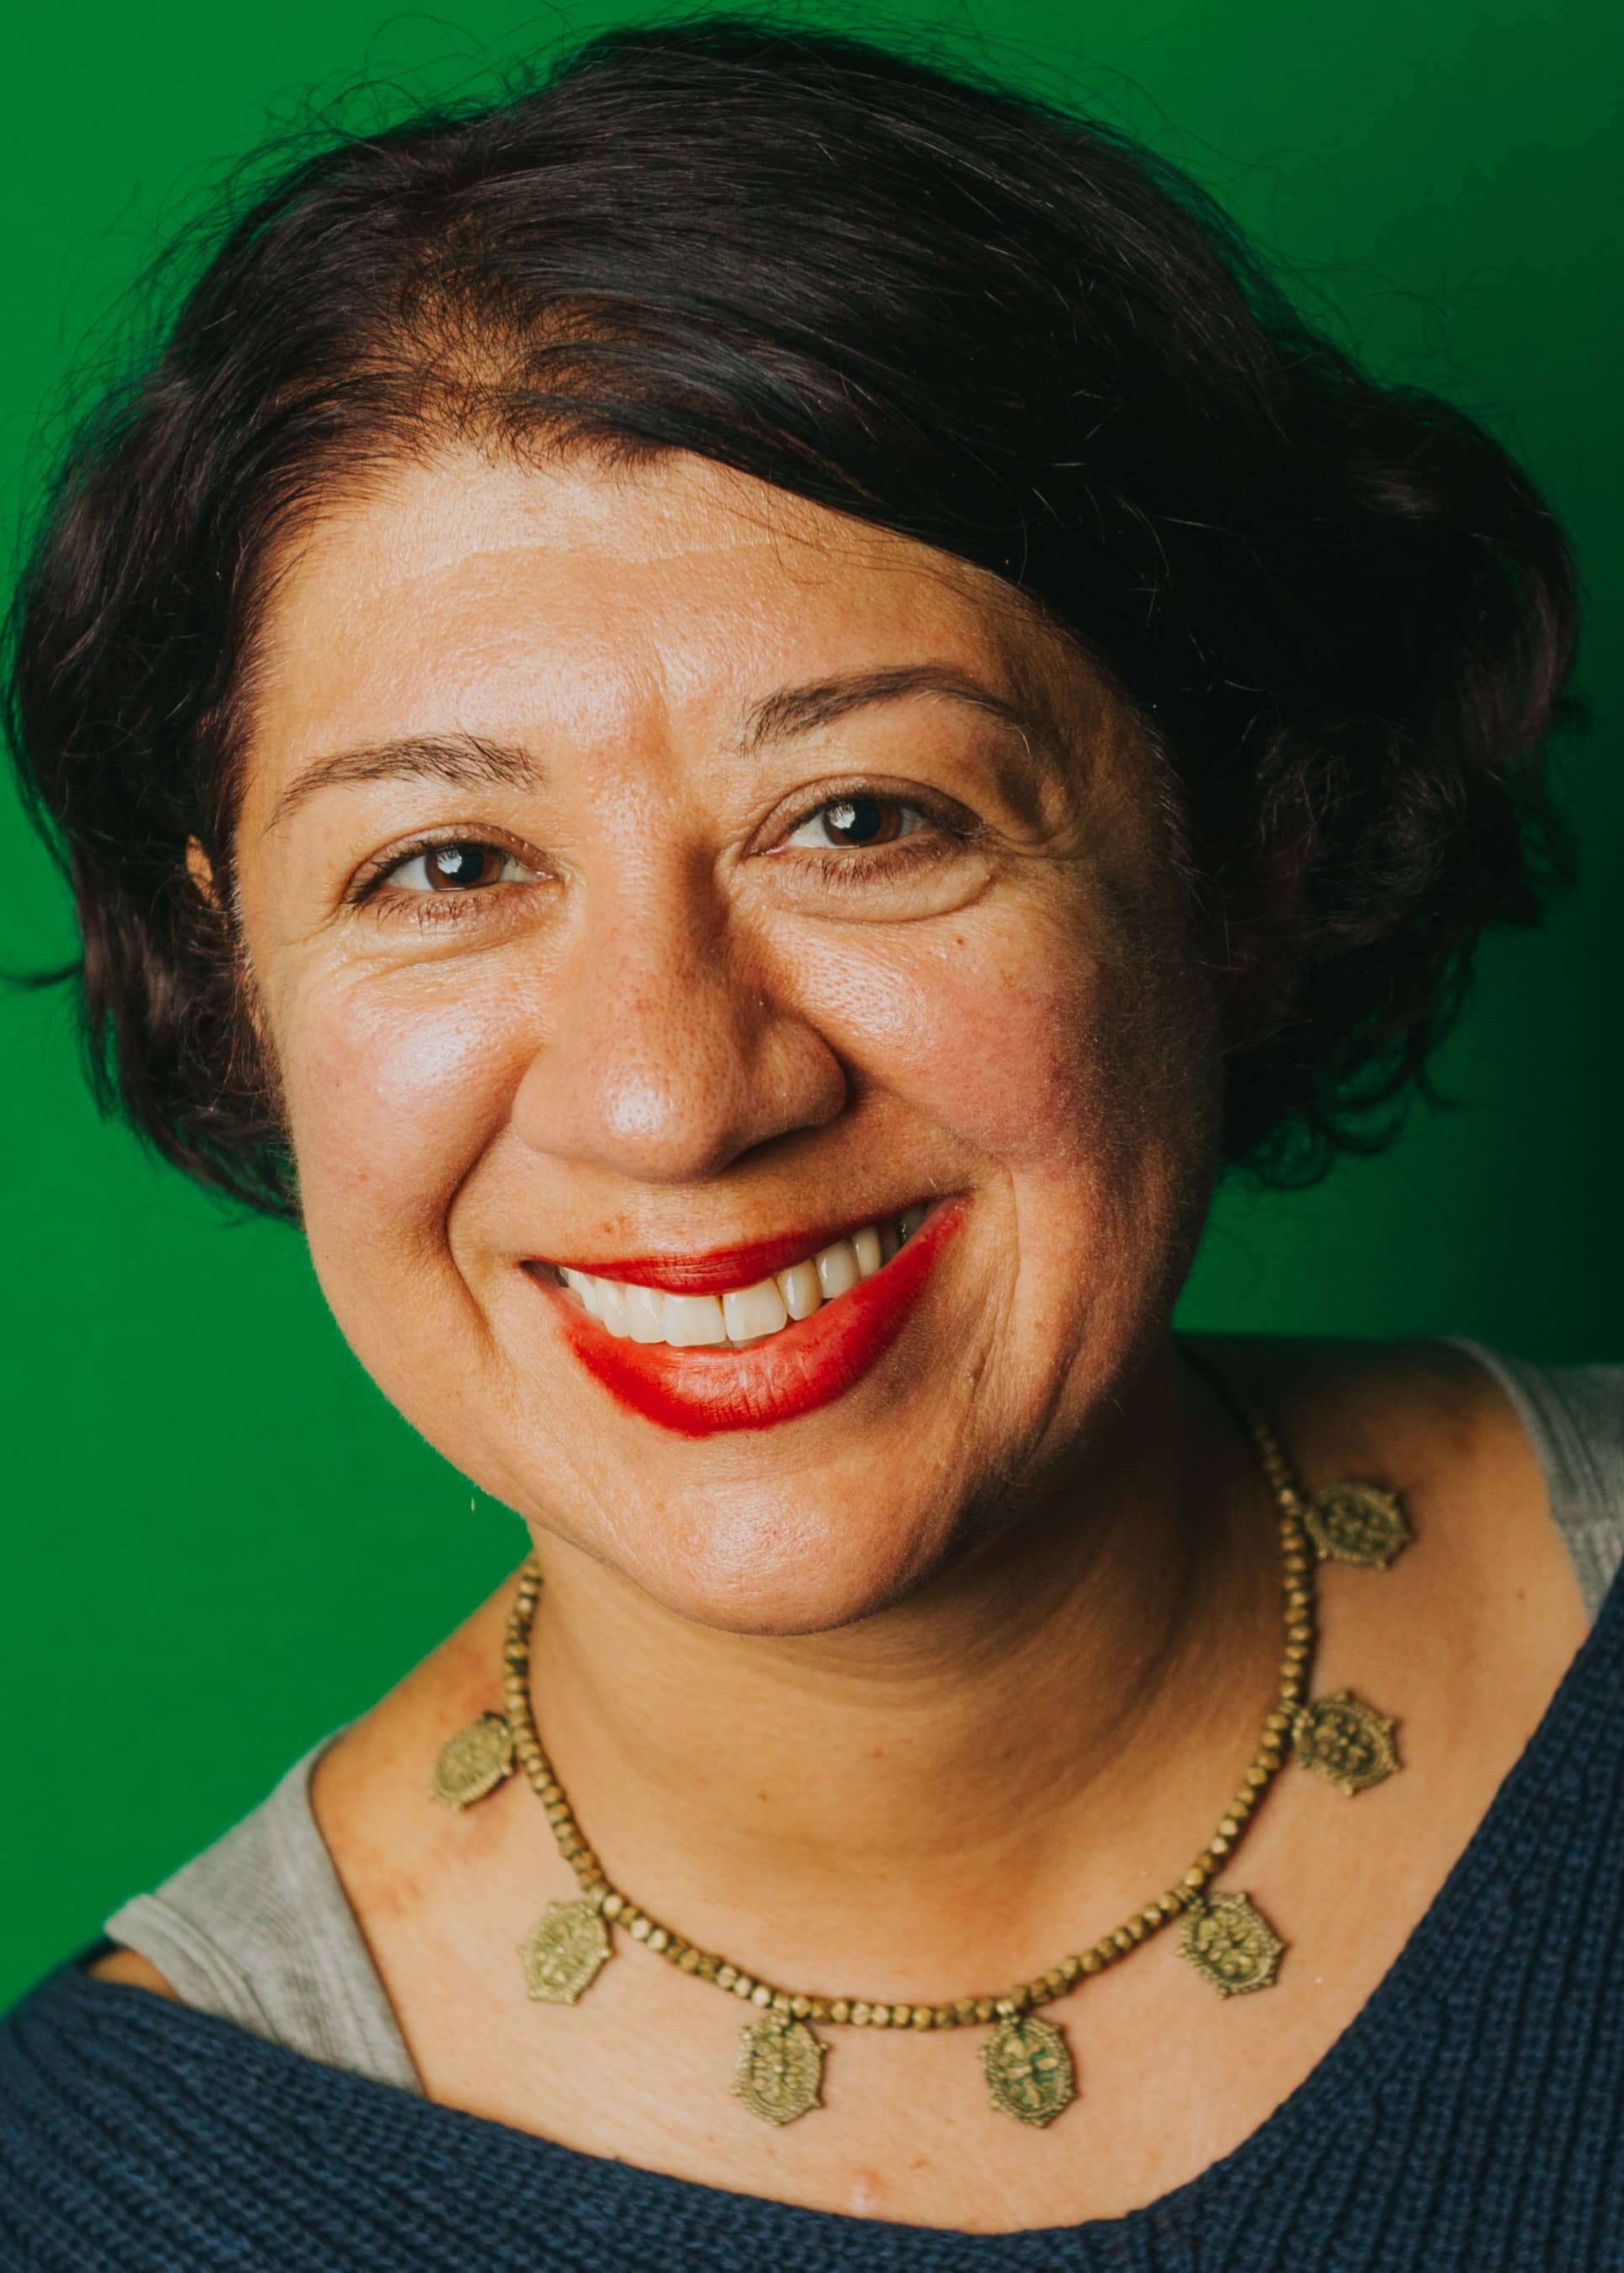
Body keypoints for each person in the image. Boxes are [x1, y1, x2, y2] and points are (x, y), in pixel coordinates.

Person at [3, 18, 1620, 2269]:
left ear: (1243, 849)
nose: (672, 1095)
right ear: (236, 972)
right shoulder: (100, 2203)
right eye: (447, 866)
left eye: (863, 820)